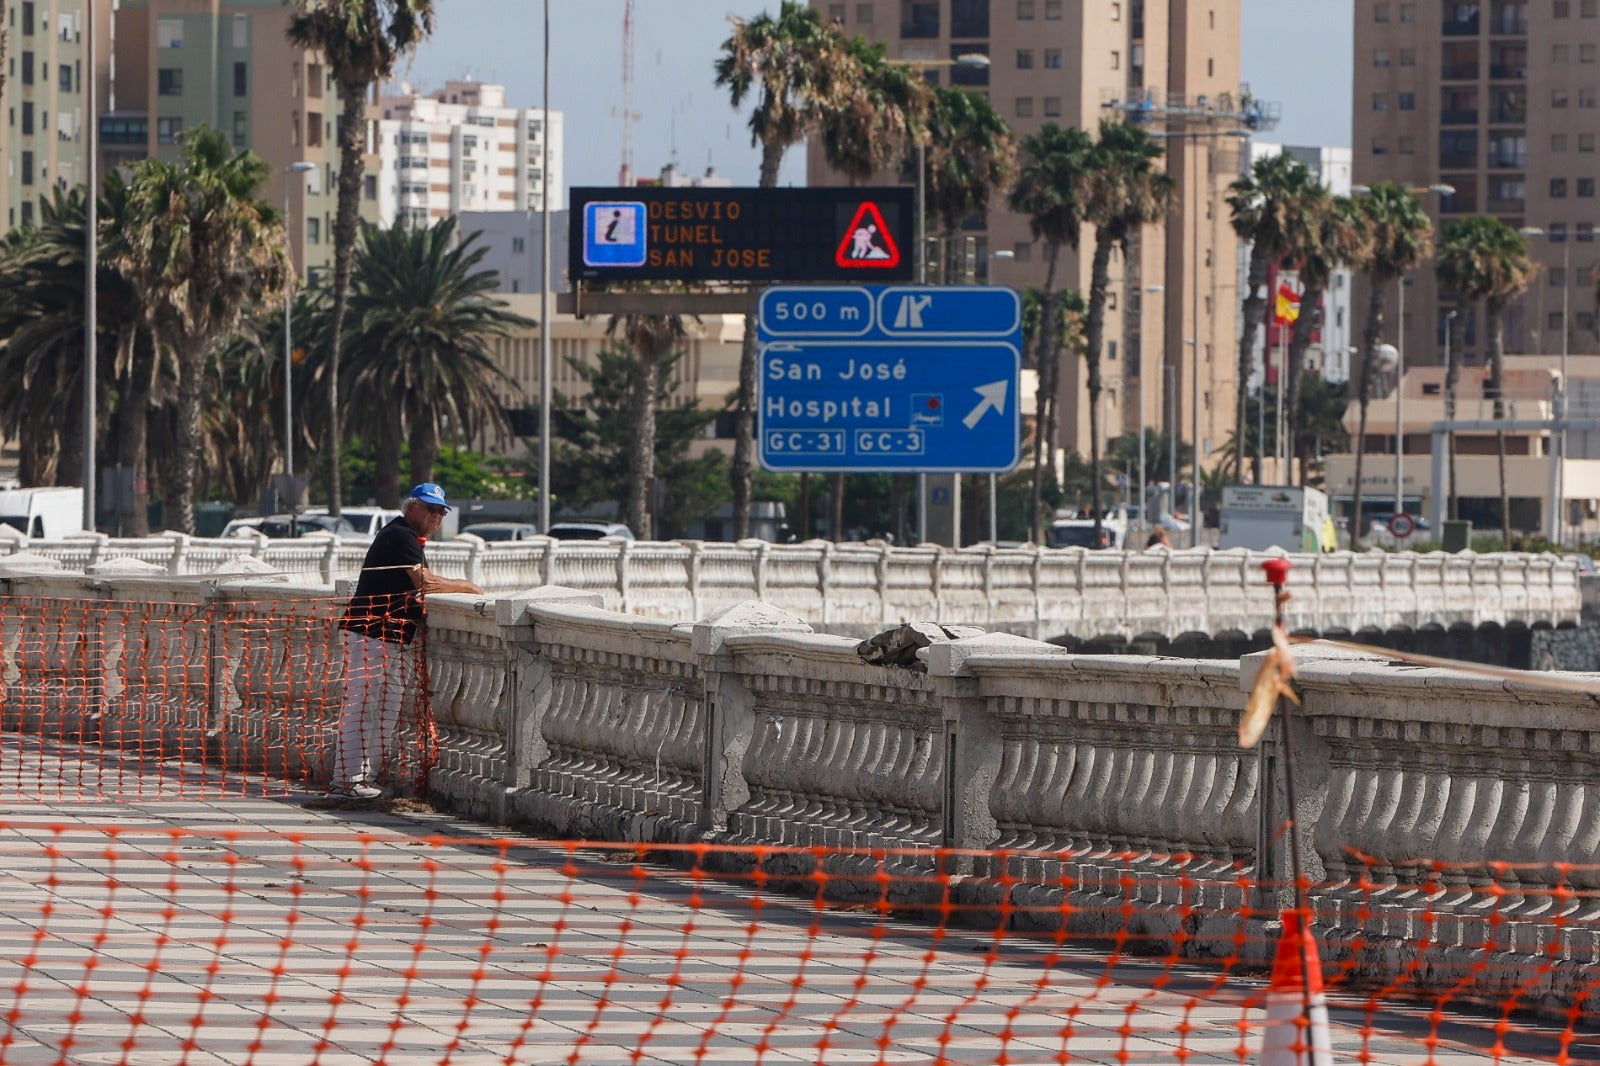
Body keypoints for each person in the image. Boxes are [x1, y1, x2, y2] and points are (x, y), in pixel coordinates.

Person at [329, 483, 483, 800]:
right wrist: (469, 587)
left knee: (387, 705)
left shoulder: (409, 538)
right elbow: (424, 582)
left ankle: (362, 779)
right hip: (368, 633)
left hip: (387, 636)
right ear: (412, 507)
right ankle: (347, 780)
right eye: (431, 509)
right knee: (364, 705)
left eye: (441, 511)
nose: (437, 516)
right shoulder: (400, 535)